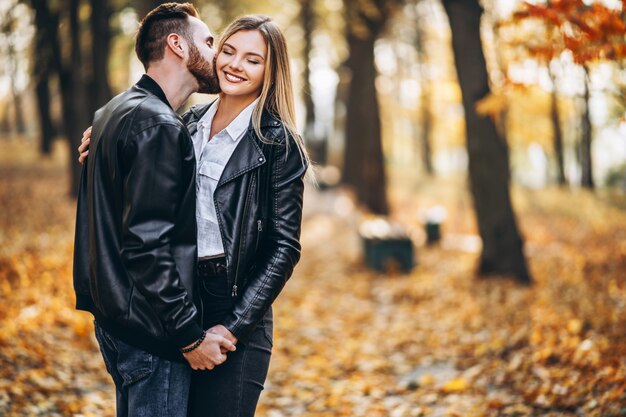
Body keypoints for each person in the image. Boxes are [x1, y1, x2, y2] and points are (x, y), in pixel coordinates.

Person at [79, 14, 310, 417]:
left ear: (270, 72)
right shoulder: (186, 123)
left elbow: (284, 247)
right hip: (177, 298)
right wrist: (104, 141)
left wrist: (234, 325)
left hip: (231, 302)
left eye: (253, 60)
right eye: (230, 51)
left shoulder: (278, 143)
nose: (235, 65)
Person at [72, 4, 236, 417]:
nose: (218, 55)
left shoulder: (114, 112)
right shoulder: (158, 125)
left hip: (115, 320)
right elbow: (147, 245)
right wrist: (189, 338)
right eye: (210, 42)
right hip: (151, 331)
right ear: (177, 45)